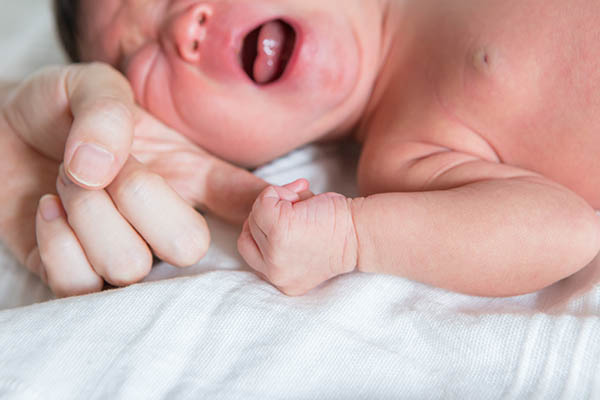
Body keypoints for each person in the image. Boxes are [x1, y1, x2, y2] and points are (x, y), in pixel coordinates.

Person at [2, 0, 599, 298]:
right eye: (142, 60)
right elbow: (569, 231)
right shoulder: (405, 154)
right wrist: (352, 236)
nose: (187, 24)